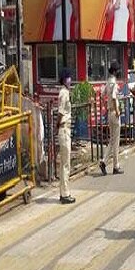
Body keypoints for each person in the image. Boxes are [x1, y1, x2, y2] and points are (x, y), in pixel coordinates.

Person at [100, 62, 123, 176]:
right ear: (115, 71)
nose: (119, 72)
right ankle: (114, 166)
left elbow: (101, 95)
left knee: (112, 140)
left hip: (109, 113)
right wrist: (117, 110)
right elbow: (114, 97)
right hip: (114, 113)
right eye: (118, 70)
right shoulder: (114, 83)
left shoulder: (108, 82)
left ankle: (106, 163)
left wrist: (106, 107)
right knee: (116, 141)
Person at [57, 68, 76, 204]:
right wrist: (58, 124)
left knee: (64, 163)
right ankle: (65, 194)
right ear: (64, 79)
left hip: (65, 129)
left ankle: (63, 191)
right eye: (68, 78)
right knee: (65, 164)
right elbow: (60, 113)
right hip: (64, 129)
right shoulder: (64, 93)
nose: (70, 80)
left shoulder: (65, 92)